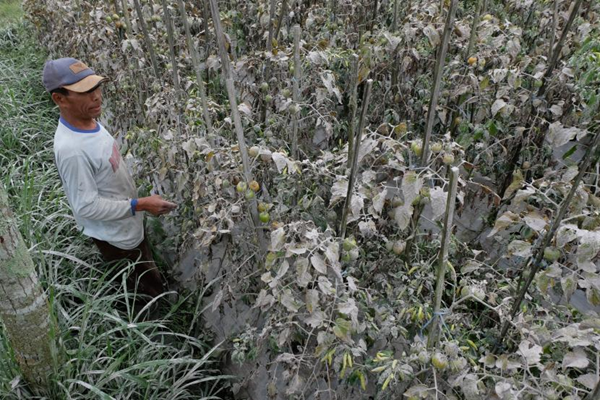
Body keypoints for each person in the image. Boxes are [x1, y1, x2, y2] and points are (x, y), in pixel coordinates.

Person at [43, 57, 177, 298]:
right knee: (143, 287)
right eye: (84, 92)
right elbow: (86, 207)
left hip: (126, 222)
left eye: (96, 87)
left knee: (144, 262)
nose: (96, 96)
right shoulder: (72, 150)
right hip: (116, 238)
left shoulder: (88, 119)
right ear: (59, 99)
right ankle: (152, 323)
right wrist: (141, 204)